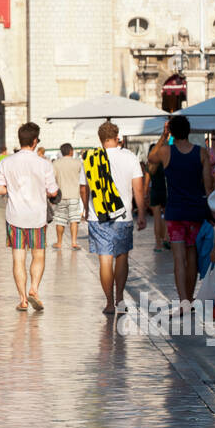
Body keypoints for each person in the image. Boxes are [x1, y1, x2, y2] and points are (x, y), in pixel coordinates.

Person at [80, 122, 147, 314]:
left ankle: (109, 302)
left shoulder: (91, 158)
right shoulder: (130, 157)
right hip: (123, 215)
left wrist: (85, 208)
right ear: (117, 137)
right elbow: (138, 188)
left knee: (105, 259)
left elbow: (84, 188)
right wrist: (141, 213)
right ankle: (120, 299)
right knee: (122, 256)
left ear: (100, 139)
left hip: (98, 215)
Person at [147, 115, 213, 304]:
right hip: (195, 211)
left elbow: (151, 157)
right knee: (191, 255)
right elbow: (208, 186)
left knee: (179, 259)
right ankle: (190, 298)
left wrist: (163, 136)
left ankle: (183, 300)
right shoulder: (201, 153)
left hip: (175, 212)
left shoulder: (166, 152)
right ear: (189, 131)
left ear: (172, 133)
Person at [0, 121, 59, 311]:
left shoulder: (6, 162)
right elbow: (53, 191)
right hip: (37, 217)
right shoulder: (44, 164)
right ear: (35, 141)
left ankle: (22, 299)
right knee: (38, 255)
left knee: (18, 258)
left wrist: (13, 189)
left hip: (15, 216)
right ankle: (34, 289)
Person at [51, 142, 83, 250]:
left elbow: (53, 179)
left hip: (61, 196)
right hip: (74, 195)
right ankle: (74, 242)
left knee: (60, 220)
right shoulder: (78, 163)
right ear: (71, 151)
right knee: (74, 220)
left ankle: (59, 242)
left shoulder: (56, 163)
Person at [146, 156, 168, 250]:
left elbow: (146, 183)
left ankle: (158, 244)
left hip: (154, 193)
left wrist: (145, 195)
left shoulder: (149, 166)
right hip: (165, 192)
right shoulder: (164, 162)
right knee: (167, 218)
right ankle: (166, 239)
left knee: (157, 219)